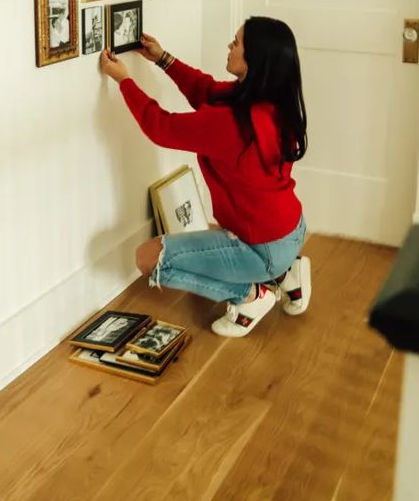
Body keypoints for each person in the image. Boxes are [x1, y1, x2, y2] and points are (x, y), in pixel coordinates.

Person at [99, 18, 311, 338]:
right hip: (292, 229)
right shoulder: (271, 101)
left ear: (255, 59)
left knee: (149, 259)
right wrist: (162, 58)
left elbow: (160, 126)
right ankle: (287, 275)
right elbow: (206, 90)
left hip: (261, 248)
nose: (230, 46)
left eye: (237, 43)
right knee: (237, 243)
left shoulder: (232, 124)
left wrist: (124, 81)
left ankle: (254, 296)